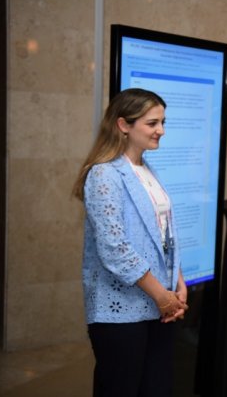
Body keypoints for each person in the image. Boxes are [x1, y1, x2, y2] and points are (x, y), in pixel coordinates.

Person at [72, 88, 188, 396]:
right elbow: (115, 248)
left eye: (162, 122)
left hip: (161, 304)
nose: (161, 130)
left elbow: (164, 235)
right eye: (152, 123)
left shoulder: (147, 169)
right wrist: (163, 296)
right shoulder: (104, 174)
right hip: (121, 312)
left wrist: (179, 284)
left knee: (156, 387)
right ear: (124, 125)